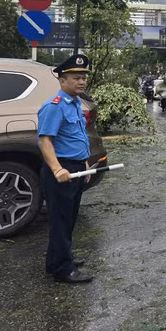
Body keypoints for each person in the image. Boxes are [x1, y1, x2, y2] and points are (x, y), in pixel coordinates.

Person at [37, 54, 94, 283]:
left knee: (69, 218)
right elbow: (45, 141)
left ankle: (59, 258)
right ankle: (63, 269)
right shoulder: (54, 107)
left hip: (76, 168)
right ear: (62, 81)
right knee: (61, 220)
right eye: (76, 78)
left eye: (83, 78)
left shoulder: (76, 104)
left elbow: (77, 137)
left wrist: (86, 161)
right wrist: (57, 169)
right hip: (62, 171)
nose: (81, 82)